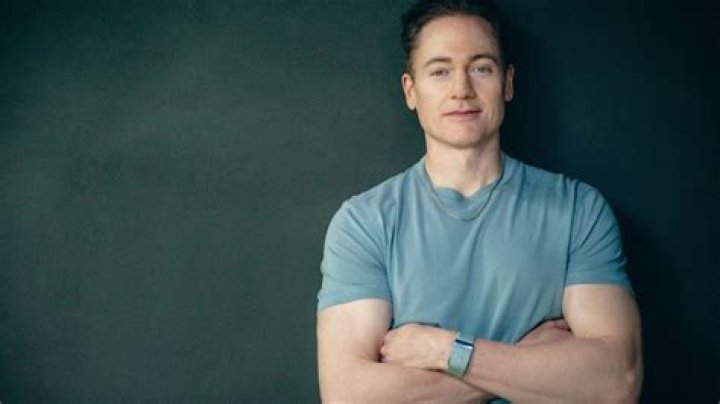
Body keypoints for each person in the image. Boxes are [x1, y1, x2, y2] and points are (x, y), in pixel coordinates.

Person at [316, 0, 643, 402]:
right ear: (410, 91)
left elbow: (616, 383)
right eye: (440, 71)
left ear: (507, 83)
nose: (461, 90)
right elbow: (347, 395)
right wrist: (524, 362)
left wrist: (444, 350)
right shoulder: (364, 222)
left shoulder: (579, 210)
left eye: (481, 68)